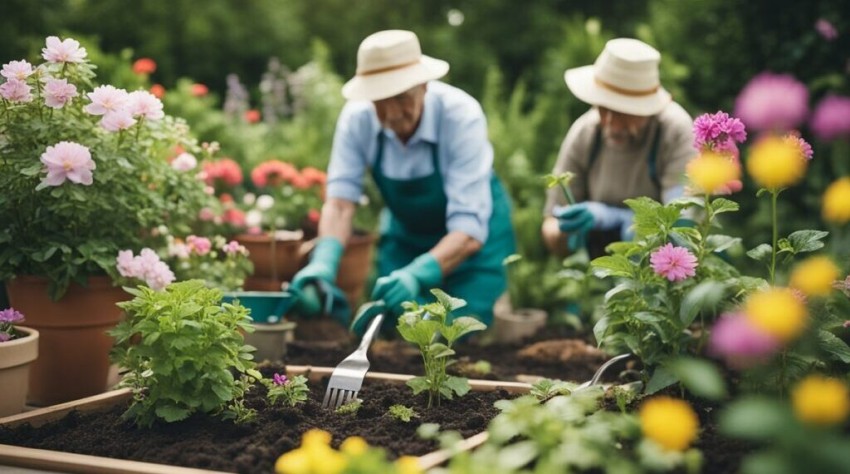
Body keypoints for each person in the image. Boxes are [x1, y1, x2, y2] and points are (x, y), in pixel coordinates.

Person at [289, 29, 516, 335]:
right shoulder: (357, 120)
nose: (392, 114)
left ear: (424, 85)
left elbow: (468, 232)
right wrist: (323, 264)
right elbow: (341, 203)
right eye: (380, 100)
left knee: (458, 335)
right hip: (407, 240)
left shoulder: (461, 117)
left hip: (473, 248)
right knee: (394, 331)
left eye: (401, 97)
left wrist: (417, 275)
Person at [541, 38, 695, 258]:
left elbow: (683, 228)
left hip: (666, 270)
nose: (612, 124)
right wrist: (564, 232)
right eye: (603, 108)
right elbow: (550, 225)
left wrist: (621, 220)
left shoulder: (673, 132)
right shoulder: (585, 133)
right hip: (601, 267)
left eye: (624, 112)